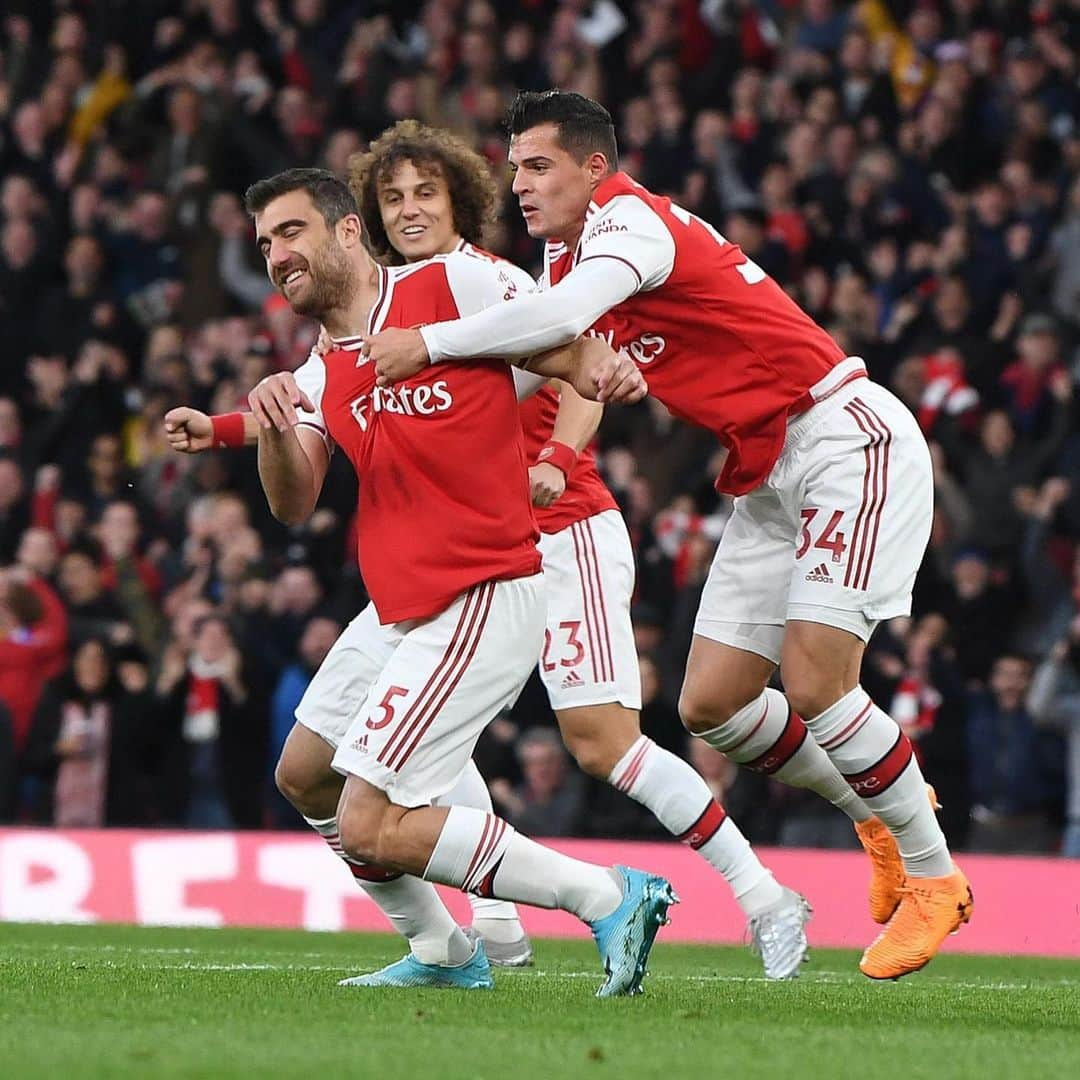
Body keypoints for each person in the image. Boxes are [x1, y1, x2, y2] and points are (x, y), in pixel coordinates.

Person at [167, 120, 811, 978]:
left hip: (551, 529)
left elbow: (580, 350)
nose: (408, 209)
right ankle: (462, 940)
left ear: (456, 201)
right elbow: (299, 459)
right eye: (392, 195)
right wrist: (235, 428)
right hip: (429, 575)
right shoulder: (341, 350)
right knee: (322, 770)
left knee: (598, 740)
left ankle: (749, 895)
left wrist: (557, 454)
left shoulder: (465, 281)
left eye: (425, 192)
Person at [362, 90, 973, 980]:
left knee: (815, 682)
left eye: (538, 167)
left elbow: (559, 324)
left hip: (842, 436)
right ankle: (877, 813)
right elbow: (558, 362)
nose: (520, 185)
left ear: (594, 167)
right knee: (711, 707)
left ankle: (935, 875)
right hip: (765, 472)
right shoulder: (568, 249)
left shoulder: (630, 228)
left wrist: (431, 346)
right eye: (516, 168)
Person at [197, 166, 674, 995]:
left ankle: (607, 896)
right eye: (265, 241)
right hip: (402, 606)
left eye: (291, 231)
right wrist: (271, 427)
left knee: (371, 822)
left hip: (483, 588)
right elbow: (293, 501)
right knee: (304, 773)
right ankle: (445, 952)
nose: (275, 254)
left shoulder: (453, 280)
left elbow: (559, 338)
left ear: (348, 231)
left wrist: (601, 373)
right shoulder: (324, 362)